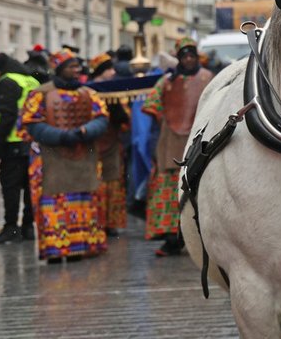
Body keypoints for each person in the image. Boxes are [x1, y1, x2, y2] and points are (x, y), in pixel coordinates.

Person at [19, 49, 109, 262]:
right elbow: (31, 123)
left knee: (84, 200)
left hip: (83, 159)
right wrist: (61, 136)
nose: (77, 70)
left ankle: (82, 247)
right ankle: (55, 251)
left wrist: (85, 131)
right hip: (51, 161)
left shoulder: (89, 93)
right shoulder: (40, 94)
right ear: (59, 69)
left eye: (78, 66)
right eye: (71, 66)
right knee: (53, 203)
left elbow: (101, 118)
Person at [142, 37, 214, 256]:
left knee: (202, 187)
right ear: (179, 58)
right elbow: (151, 107)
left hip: (201, 138)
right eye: (185, 55)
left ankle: (204, 237)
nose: (189, 59)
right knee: (168, 189)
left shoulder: (208, 78)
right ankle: (172, 238)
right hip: (170, 141)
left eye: (192, 55)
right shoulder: (165, 81)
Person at [0, 53, 40, 244]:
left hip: (13, 143)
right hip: (32, 142)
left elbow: (7, 116)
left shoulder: (7, 82)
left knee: (11, 188)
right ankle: (27, 227)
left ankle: (11, 228)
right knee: (30, 186)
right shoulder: (31, 81)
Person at [87, 52, 130, 236]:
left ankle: (106, 222)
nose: (113, 72)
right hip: (98, 142)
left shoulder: (107, 89)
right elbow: (121, 116)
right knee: (103, 181)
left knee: (109, 180)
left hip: (108, 142)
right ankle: (102, 221)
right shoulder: (91, 91)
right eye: (109, 69)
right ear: (100, 71)